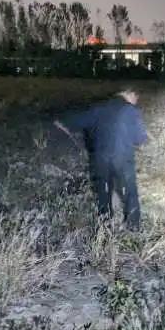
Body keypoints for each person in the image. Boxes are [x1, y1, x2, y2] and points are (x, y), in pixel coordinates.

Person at [54, 89, 148, 230]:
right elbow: (139, 138)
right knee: (130, 191)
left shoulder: (98, 107)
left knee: (104, 192)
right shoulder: (130, 110)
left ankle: (105, 224)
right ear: (129, 93)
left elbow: (70, 123)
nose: (136, 100)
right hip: (122, 158)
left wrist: (64, 126)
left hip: (100, 158)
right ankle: (133, 226)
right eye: (136, 97)